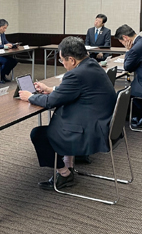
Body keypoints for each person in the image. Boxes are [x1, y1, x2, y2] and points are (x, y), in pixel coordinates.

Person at [18, 36, 116, 190]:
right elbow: (77, 91)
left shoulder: (75, 74)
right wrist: (50, 90)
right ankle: (68, 164)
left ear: (72, 60)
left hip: (90, 131)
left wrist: (30, 97)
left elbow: (50, 102)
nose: (62, 64)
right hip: (103, 123)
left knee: (38, 134)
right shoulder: (92, 65)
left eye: (62, 60)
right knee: (62, 114)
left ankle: (64, 174)